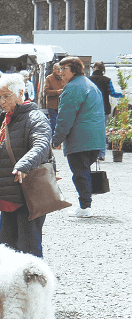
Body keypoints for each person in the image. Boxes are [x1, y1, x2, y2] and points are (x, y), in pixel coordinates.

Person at [0, 74, 53, 257]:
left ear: (21, 93)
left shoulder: (35, 117)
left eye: (6, 96)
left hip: (28, 192)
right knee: (7, 249)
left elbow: (41, 144)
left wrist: (24, 164)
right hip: (10, 192)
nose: (1, 101)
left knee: (29, 249)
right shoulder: (6, 118)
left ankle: (35, 285)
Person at [52, 56, 107, 218]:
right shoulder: (90, 84)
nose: (60, 72)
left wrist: (56, 139)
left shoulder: (73, 87)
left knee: (80, 173)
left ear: (74, 70)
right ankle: (85, 204)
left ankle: (85, 206)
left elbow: (65, 117)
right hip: (95, 138)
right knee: (83, 171)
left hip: (80, 138)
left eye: (64, 69)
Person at [44, 63, 65, 133]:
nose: (60, 71)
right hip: (52, 106)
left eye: (61, 69)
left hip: (62, 105)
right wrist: (57, 92)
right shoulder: (49, 78)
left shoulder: (63, 78)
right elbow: (46, 92)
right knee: (54, 123)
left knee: (61, 124)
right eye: (58, 69)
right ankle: (53, 140)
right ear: (54, 70)